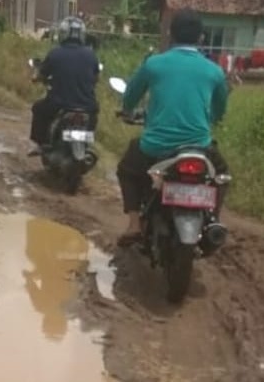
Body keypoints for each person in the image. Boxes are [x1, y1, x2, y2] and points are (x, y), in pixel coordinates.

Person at [116, 9, 229, 244]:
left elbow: (130, 97)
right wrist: (211, 120)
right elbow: (219, 110)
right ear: (201, 38)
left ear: (170, 34)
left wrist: (127, 110)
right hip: (199, 146)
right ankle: (213, 219)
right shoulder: (215, 71)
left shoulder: (154, 64)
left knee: (128, 169)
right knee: (222, 174)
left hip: (156, 147)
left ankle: (134, 224)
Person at [29, 16, 100, 152]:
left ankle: (41, 144)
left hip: (59, 104)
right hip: (87, 105)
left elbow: (41, 74)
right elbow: (96, 78)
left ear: (63, 33)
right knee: (94, 113)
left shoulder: (55, 53)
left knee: (38, 108)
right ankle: (87, 143)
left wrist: (36, 78)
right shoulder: (91, 55)